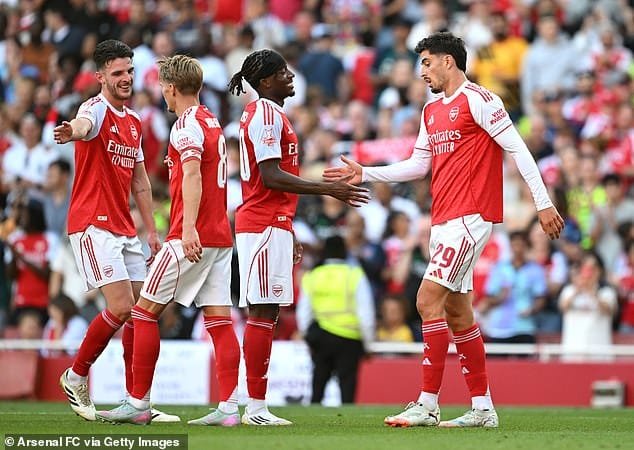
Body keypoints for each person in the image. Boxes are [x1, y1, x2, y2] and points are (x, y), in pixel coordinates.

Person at [324, 32, 564, 428]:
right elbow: (418, 166)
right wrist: (366, 173)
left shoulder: (481, 100)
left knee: (426, 300)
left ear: (448, 61)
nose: (422, 71)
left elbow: (518, 149)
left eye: (427, 62)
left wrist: (542, 202)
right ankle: (483, 408)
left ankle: (427, 404)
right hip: (442, 220)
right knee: (457, 312)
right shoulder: (431, 110)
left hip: (471, 217)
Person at [94, 54, 241, 426]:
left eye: (162, 85)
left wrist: (188, 229)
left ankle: (138, 403)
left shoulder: (185, 125)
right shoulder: (211, 120)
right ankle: (229, 409)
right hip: (220, 237)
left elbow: (192, 175)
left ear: (172, 88)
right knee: (219, 321)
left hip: (191, 236)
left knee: (143, 312)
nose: (161, 91)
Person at [228, 49, 370, 425]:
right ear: (264, 82)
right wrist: (327, 189)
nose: (291, 76)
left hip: (271, 221)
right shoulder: (264, 114)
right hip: (261, 223)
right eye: (282, 72)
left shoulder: (271, 113)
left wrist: (287, 224)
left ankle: (256, 405)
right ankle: (254, 407)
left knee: (268, 312)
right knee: (261, 311)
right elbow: (270, 176)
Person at [53, 39, 177, 423]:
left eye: (129, 71)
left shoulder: (134, 121)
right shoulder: (94, 109)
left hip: (125, 228)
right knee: (122, 307)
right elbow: (84, 125)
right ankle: (76, 376)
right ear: (100, 76)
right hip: (92, 224)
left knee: (143, 314)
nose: (125, 78)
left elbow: (140, 182)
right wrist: (73, 131)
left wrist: (151, 232)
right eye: (117, 73)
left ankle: (136, 403)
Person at [296, 234, 375, 405]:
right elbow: (366, 312)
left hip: (321, 335)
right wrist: (369, 343)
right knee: (347, 386)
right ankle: (347, 417)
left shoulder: (313, 275)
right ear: (344, 251)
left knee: (318, 382)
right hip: (349, 337)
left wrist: (307, 337)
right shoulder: (354, 274)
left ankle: (313, 414)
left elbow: (304, 311)